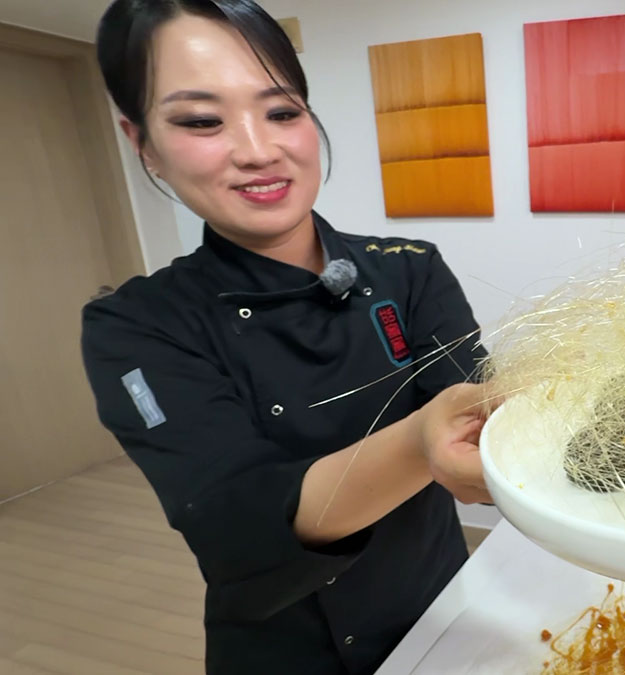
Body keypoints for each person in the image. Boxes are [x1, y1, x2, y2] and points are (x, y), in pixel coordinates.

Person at [81, 1, 494, 673]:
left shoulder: (409, 267)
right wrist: (423, 439)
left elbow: (479, 418)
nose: (258, 150)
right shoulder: (137, 324)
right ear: (143, 143)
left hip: (442, 610)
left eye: (281, 111)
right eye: (202, 120)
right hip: (285, 649)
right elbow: (231, 518)